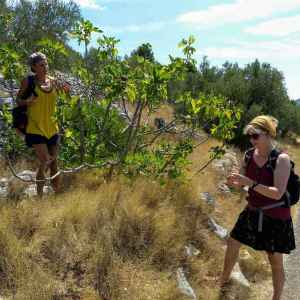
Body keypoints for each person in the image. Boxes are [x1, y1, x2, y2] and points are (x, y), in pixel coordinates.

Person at [220, 115, 295, 300]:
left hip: (276, 218)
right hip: (252, 211)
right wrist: (234, 183)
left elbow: (277, 193)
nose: (252, 140)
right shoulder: (248, 155)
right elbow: (244, 184)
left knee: (275, 262)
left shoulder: (281, 159)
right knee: (232, 242)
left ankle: (276, 298)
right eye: (249, 136)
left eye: (255, 135)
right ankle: (222, 282)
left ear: (268, 134)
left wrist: (250, 183)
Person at [16, 52, 70, 197]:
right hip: (35, 128)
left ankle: (58, 195)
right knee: (45, 161)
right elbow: (18, 101)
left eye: (46, 63)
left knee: (54, 164)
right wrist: (28, 102)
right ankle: (39, 197)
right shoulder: (28, 82)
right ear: (34, 67)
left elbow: (67, 95)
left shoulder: (53, 81)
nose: (45, 67)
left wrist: (66, 89)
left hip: (52, 128)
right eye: (41, 65)